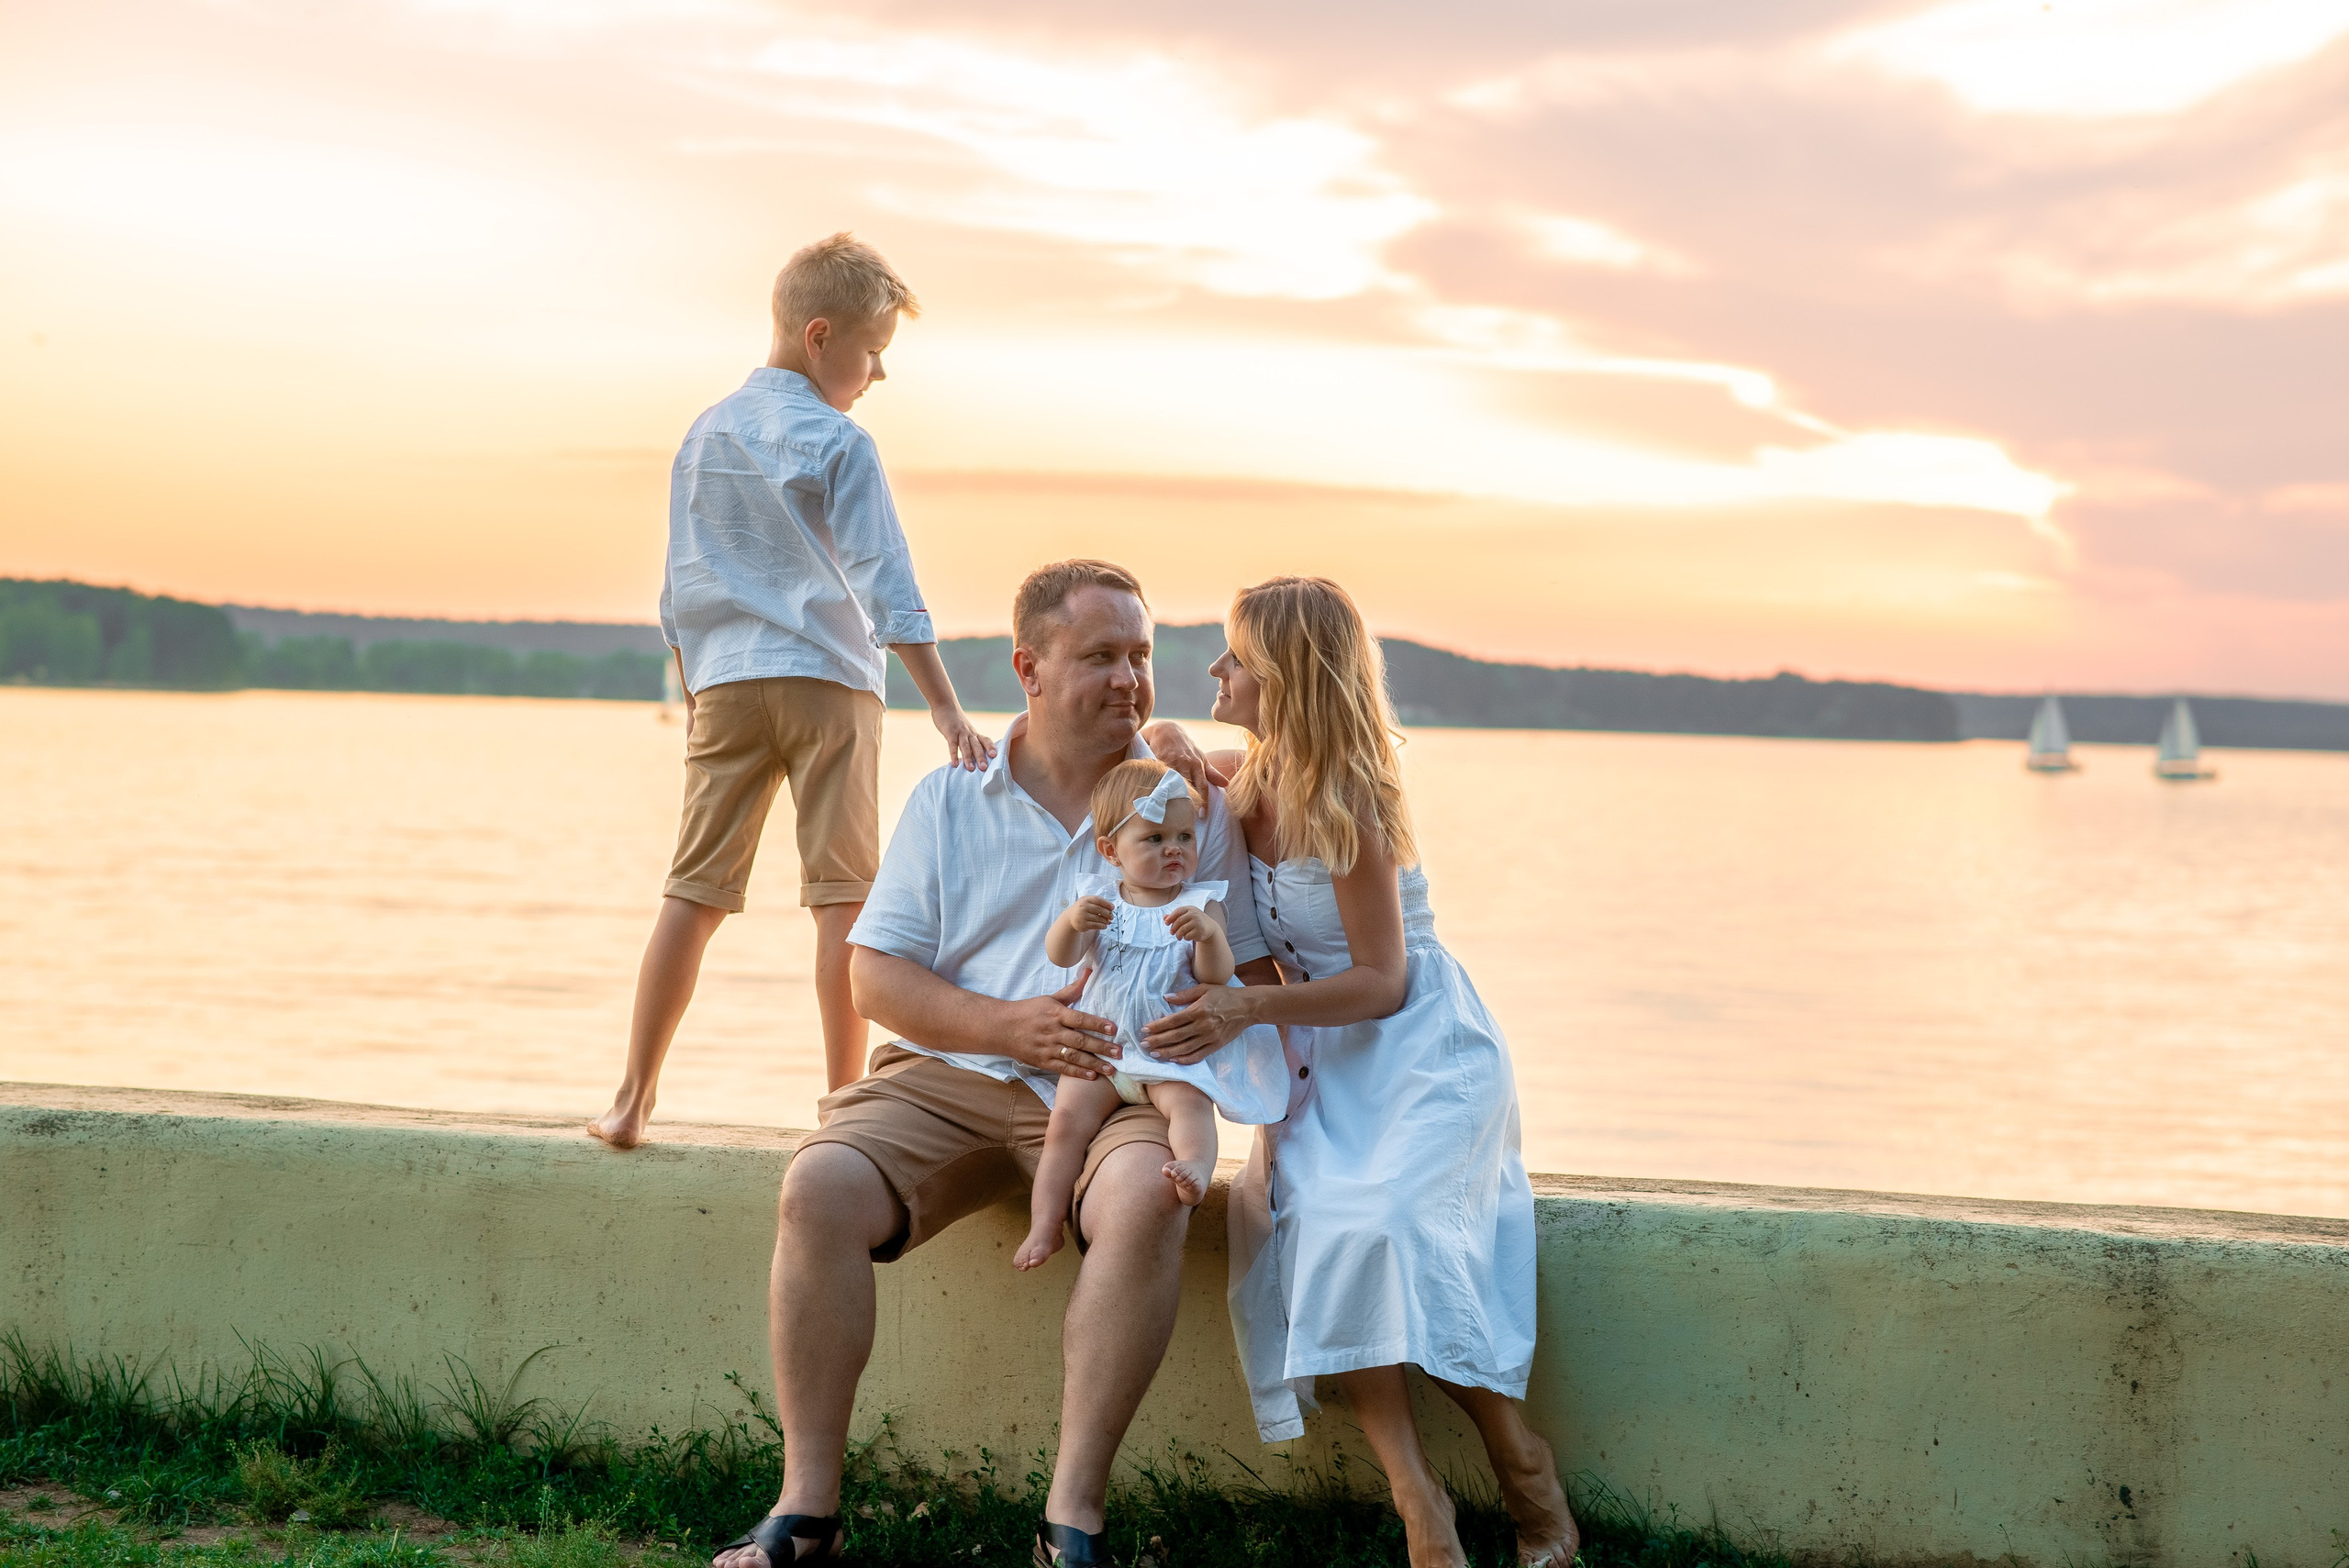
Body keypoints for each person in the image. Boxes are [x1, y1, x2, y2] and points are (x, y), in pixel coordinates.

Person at [707, 561, 1280, 1568]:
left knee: (1152, 1194)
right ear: (1028, 666)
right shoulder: (951, 798)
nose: (1129, 679)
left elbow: (1239, 956)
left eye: (1139, 655)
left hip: (1124, 1083)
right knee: (819, 1184)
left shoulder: (1187, 796)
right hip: (956, 1072)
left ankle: (1070, 1523)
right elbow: (873, 975)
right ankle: (806, 1509)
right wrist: (1005, 1026)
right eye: (1099, 655)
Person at [1142, 576, 1580, 1568]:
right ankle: (1416, 1496)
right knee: (1327, 1225)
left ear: (1288, 678)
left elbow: (1382, 980)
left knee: (1393, 1224)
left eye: (1235, 658)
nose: (1216, 671)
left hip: (1421, 1046)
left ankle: (1521, 1465)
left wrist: (1245, 1006)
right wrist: (1169, 740)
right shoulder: (1244, 783)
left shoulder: (1346, 799)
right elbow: (1167, 767)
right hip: (1322, 1053)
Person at [589, 233, 993, 1151]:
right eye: (873, 349)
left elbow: (677, 586)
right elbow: (886, 579)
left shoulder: (705, 431)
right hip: (829, 685)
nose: (879, 371)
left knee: (692, 893)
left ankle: (630, 1098)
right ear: (821, 336)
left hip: (725, 684)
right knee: (843, 901)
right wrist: (943, 703)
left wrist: (695, 688)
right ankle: (843, 1109)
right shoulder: (839, 439)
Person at [1015, 760, 1290, 1272]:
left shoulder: (1201, 903)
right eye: (1155, 838)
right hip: (1104, 1056)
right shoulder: (1096, 900)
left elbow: (1216, 975)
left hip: (1168, 1058)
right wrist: (1071, 923)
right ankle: (1045, 1224)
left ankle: (1193, 1169)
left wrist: (1209, 936)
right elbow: (1061, 957)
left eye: (1185, 836)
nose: (1175, 850)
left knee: (1189, 1107)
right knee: (1065, 1127)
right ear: (1109, 851)